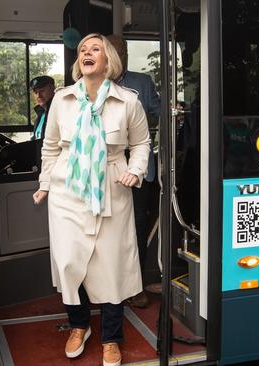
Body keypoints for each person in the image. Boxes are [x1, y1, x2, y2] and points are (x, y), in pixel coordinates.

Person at [32, 33, 150, 366]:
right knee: (70, 263)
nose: (87, 53)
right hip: (67, 192)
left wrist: (136, 170)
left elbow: (141, 144)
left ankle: (112, 337)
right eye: (83, 49)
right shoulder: (62, 100)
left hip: (111, 189)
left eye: (94, 49)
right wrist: (45, 184)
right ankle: (79, 324)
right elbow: (51, 147)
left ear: (108, 59)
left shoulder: (128, 101)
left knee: (109, 266)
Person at [107, 34, 160, 308]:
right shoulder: (93, 85)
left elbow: (160, 113)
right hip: (105, 172)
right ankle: (107, 285)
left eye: (122, 51)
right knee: (107, 230)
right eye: (113, 51)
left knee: (136, 230)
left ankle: (135, 287)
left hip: (139, 170)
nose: (119, 57)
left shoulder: (142, 82)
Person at [29, 75, 56, 140]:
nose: (38, 96)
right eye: (36, 92)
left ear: (52, 89)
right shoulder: (41, 113)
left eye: (42, 91)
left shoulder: (58, 112)